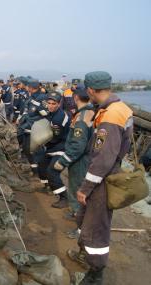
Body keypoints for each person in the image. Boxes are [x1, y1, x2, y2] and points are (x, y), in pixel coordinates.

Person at [68, 71, 133, 285]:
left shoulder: (111, 116)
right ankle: (83, 254)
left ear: (90, 91)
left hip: (103, 180)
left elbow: (103, 159)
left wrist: (85, 188)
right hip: (105, 174)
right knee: (84, 219)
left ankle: (96, 274)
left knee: (97, 229)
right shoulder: (120, 108)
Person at [54, 88, 94, 225]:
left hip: (80, 160)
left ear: (76, 98)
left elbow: (78, 145)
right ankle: (75, 212)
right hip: (85, 158)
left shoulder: (82, 117)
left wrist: (64, 160)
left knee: (77, 188)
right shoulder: (90, 112)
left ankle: (79, 220)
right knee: (77, 187)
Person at [37, 91, 71, 208]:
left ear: (59, 103)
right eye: (49, 103)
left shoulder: (59, 118)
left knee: (52, 172)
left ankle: (64, 197)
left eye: (53, 103)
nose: (50, 105)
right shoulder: (50, 113)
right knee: (41, 165)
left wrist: (39, 141)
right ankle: (48, 187)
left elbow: (55, 138)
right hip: (52, 147)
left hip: (61, 147)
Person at [17, 79, 49, 175]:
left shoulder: (42, 98)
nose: (26, 88)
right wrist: (20, 118)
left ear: (31, 88)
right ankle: (34, 170)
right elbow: (27, 111)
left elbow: (46, 113)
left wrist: (37, 105)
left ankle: (42, 174)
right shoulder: (30, 97)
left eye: (27, 86)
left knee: (37, 152)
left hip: (37, 129)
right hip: (27, 128)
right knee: (27, 150)